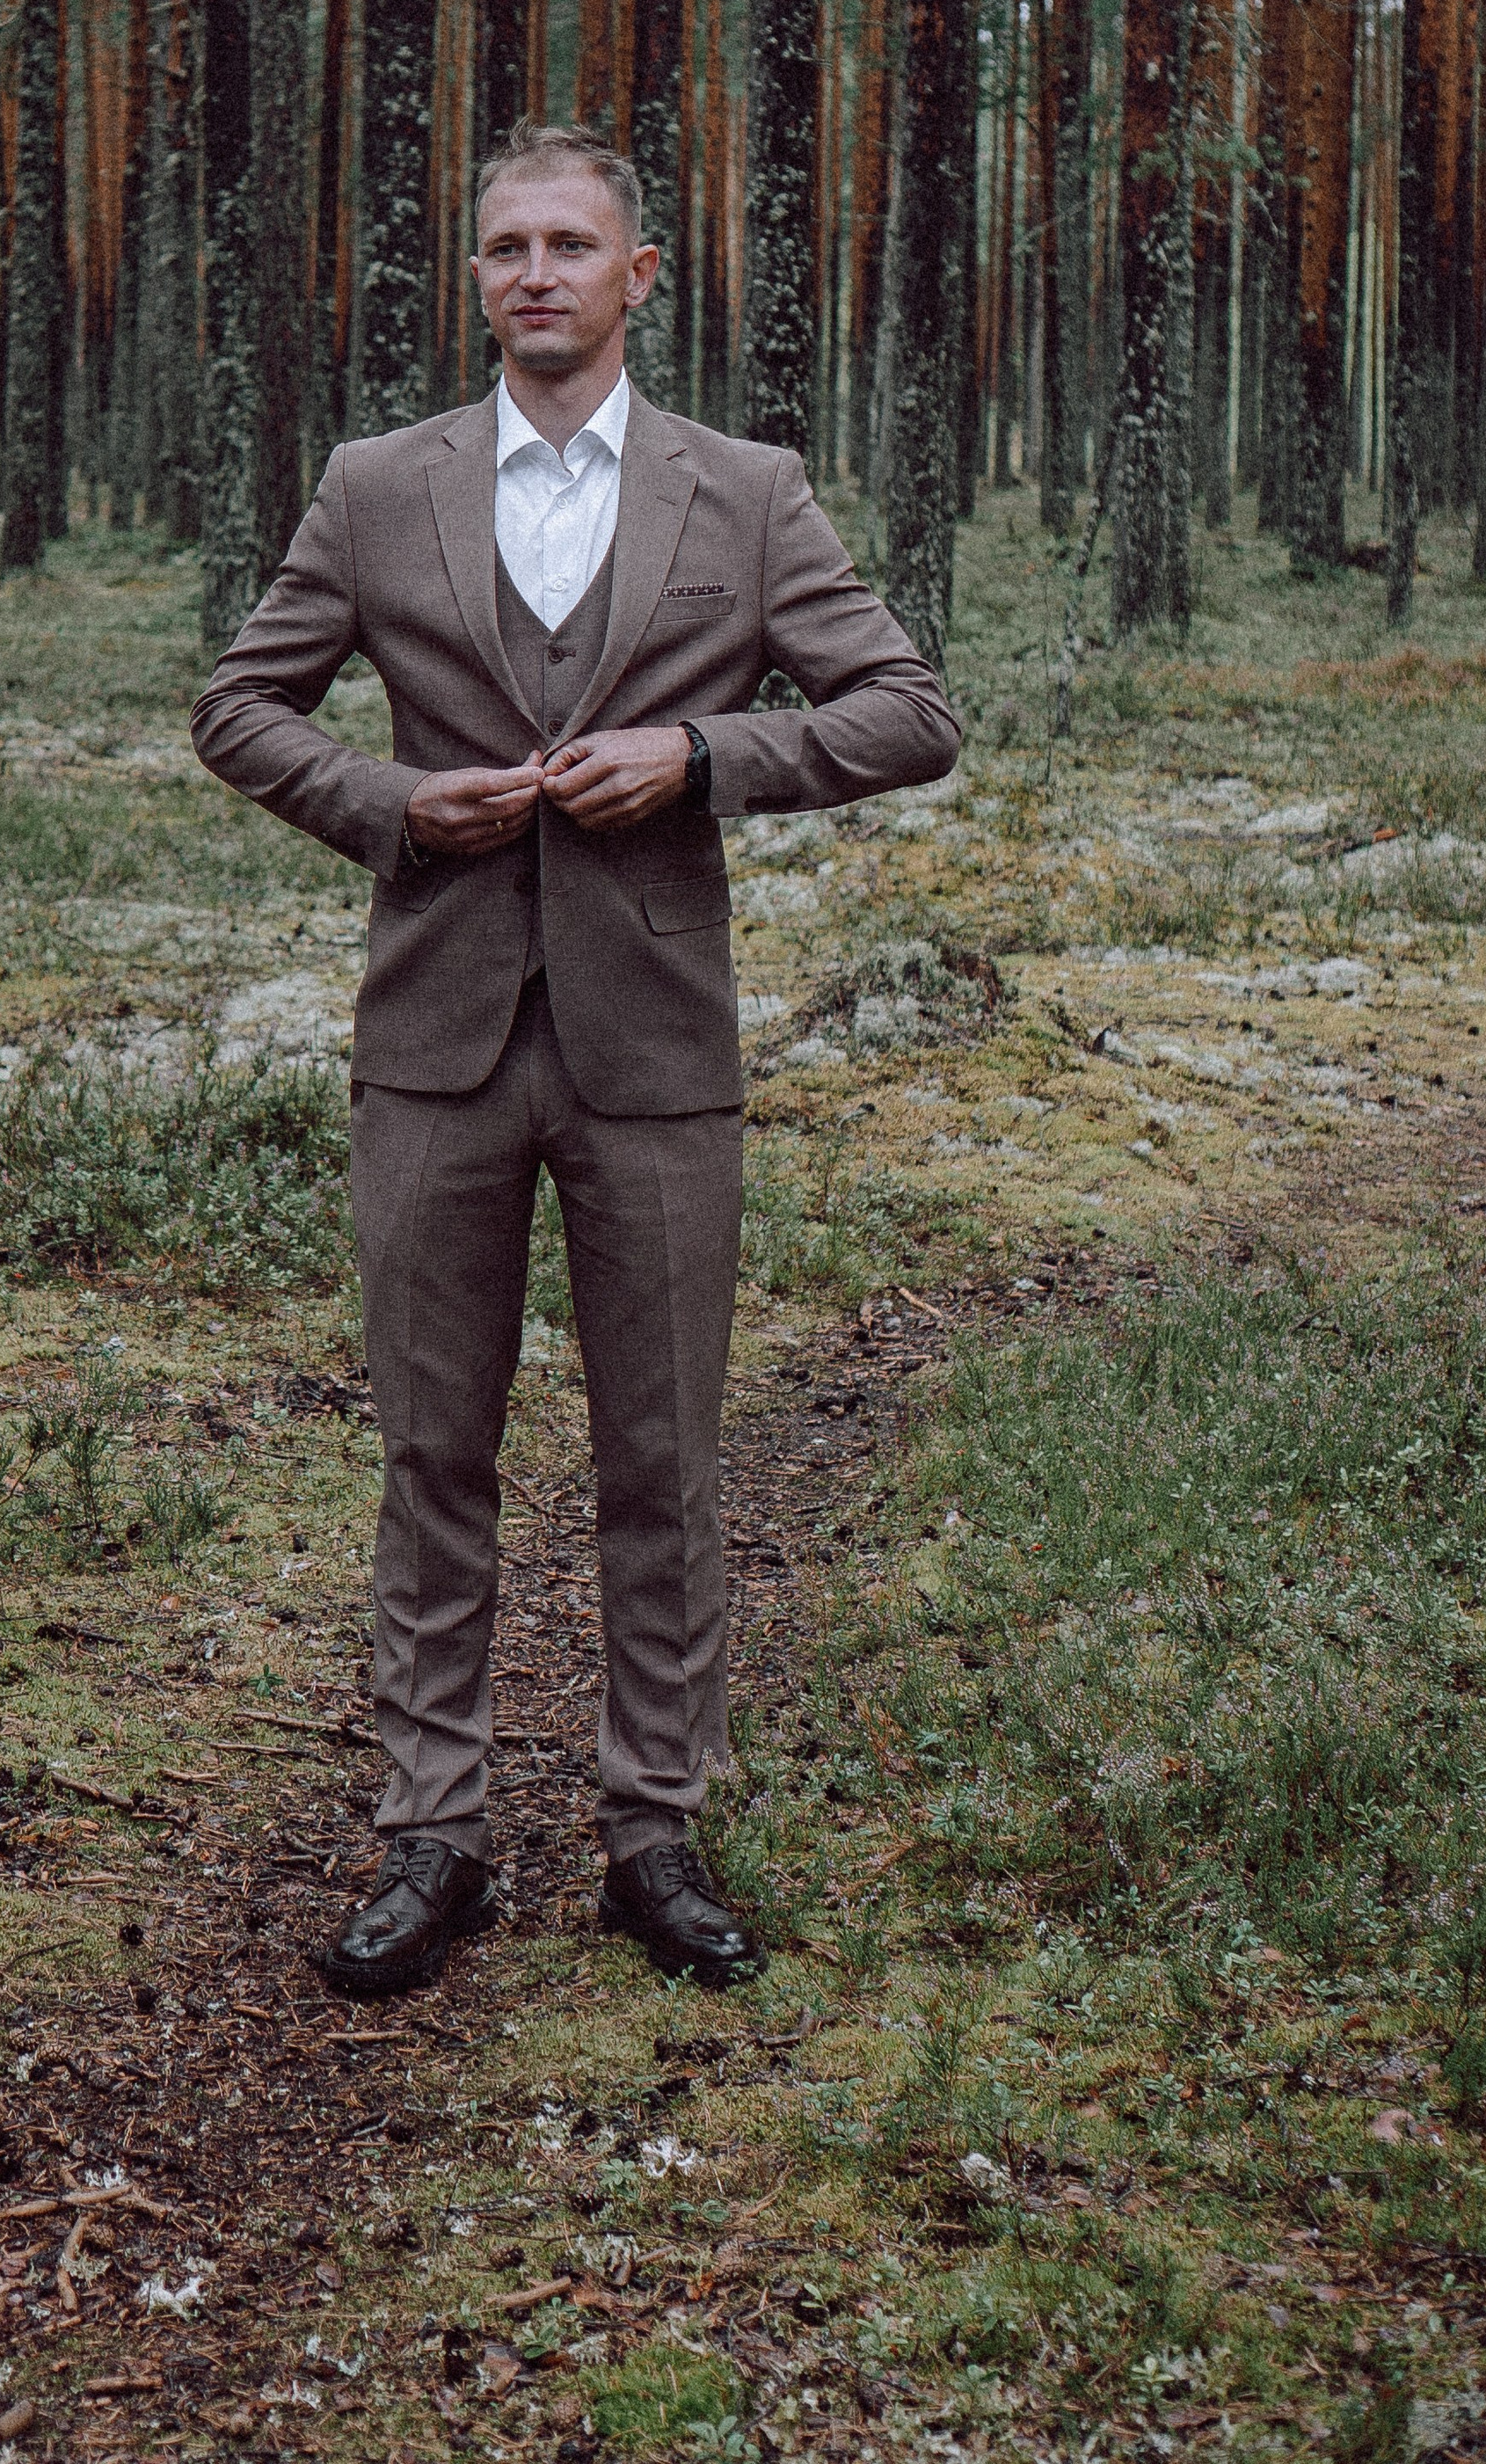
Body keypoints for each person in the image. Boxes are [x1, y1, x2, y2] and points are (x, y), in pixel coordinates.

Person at [191, 120, 958, 1998]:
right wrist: (387, 803)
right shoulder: (378, 488)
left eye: (568, 246)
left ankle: (652, 1832)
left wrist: (703, 758)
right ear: (475, 280)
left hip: (655, 1052)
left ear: (638, 279)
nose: (534, 273)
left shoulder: (747, 491)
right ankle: (428, 1838)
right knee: (431, 1451)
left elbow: (907, 711)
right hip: (435, 1049)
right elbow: (235, 705)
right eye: (503, 247)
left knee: (661, 1456)